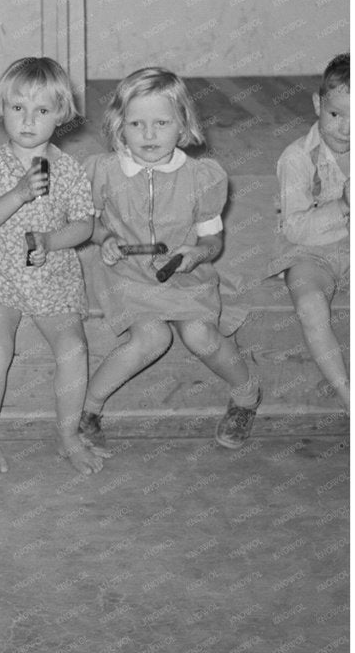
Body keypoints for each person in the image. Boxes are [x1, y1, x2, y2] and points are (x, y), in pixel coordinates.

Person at [80, 67, 260, 449]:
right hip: (126, 275)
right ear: (119, 126)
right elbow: (88, 225)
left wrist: (198, 253)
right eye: (136, 124)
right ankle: (87, 409)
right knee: (152, 337)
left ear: (182, 125)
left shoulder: (201, 177)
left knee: (200, 333)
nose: (148, 135)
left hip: (182, 273)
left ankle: (246, 394)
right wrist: (104, 237)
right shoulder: (104, 172)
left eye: (161, 123)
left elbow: (213, 240)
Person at [0, 57, 103, 475]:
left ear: (60, 114)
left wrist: (50, 241)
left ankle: (68, 435)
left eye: (41, 110)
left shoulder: (69, 169)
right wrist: (19, 193)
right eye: (17, 107)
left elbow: (84, 225)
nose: (27, 120)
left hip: (51, 269)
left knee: (74, 348)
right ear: (1, 109)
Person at [268, 53, 349, 407]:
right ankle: (349, 397)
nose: (347, 129)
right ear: (318, 105)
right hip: (310, 252)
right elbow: (295, 230)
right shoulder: (296, 158)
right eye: (336, 115)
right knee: (310, 304)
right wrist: (343, 205)